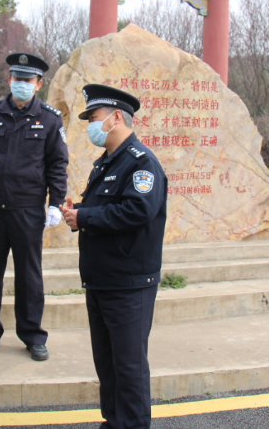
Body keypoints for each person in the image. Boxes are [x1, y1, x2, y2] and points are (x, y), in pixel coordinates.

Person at [61, 84, 167, 429]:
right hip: (102, 280)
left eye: (94, 118)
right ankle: (114, 422)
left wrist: (86, 217)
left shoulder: (141, 163)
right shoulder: (106, 164)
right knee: (107, 365)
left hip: (128, 284)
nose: (91, 126)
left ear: (116, 117)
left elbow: (138, 210)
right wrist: (78, 212)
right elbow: (105, 209)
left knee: (129, 367)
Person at [0, 53, 69, 361]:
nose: (22, 84)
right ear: (9, 80)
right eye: (17, 79)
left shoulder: (50, 119)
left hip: (27, 210)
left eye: (28, 80)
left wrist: (55, 203)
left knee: (29, 276)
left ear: (39, 84)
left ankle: (33, 335)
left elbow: (57, 164)